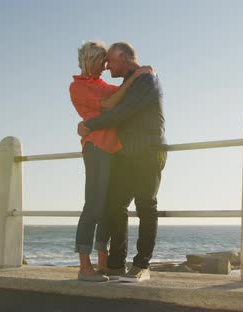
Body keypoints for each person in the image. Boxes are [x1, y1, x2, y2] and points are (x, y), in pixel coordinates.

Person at [78, 42, 167, 283]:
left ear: (124, 58)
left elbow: (122, 113)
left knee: (146, 206)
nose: (107, 67)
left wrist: (89, 126)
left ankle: (142, 265)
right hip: (126, 155)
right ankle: (116, 265)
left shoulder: (147, 80)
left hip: (149, 151)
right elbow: (112, 106)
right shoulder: (131, 82)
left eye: (110, 61)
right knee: (115, 205)